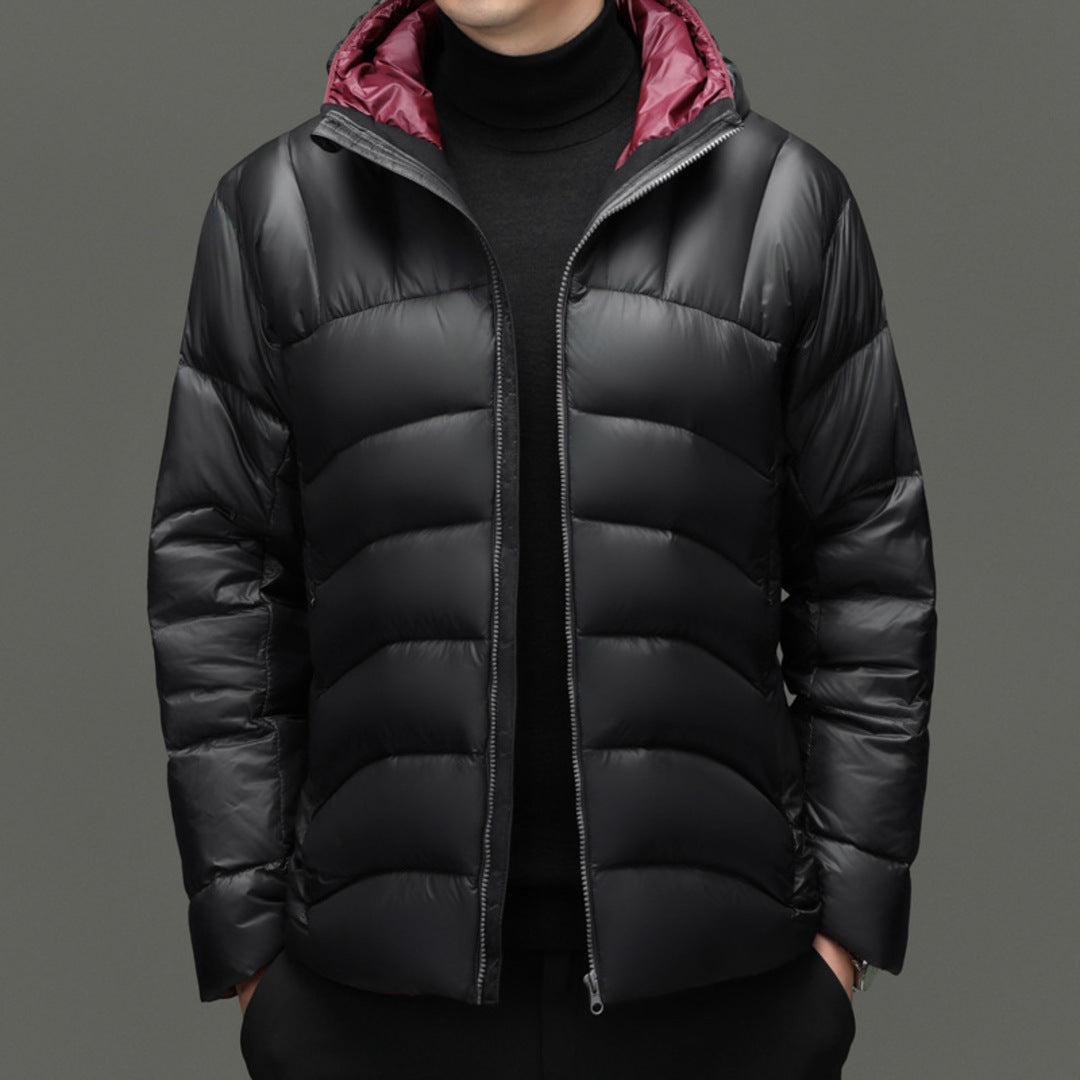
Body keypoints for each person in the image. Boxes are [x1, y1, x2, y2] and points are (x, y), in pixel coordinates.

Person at [145, 0, 938, 1076]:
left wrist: (842, 947)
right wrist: (253, 963)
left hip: (726, 1002)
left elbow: (868, 578)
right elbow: (217, 584)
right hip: (366, 1006)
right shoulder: (276, 212)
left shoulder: (782, 204)